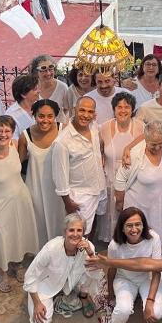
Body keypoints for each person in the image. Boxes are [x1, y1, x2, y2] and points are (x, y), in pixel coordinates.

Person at [0, 115, 38, 292]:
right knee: (0, 239)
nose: (3, 134)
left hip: (20, 200)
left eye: (7, 130)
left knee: (18, 235)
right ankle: (0, 271)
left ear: (12, 132)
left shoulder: (15, 145)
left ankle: (17, 263)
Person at [102, 207, 162, 323]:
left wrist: (149, 301)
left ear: (144, 225)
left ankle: (142, 299)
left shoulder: (154, 238)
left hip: (149, 277)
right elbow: (112, 269)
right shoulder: (115, 245)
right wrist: (110, 292)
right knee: (123, 309)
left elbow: (157, 270)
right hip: (125, 279)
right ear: (122, 228)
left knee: (156, 313)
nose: (134, 229)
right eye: (129, 225)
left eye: (138, 224)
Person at [24, 213, 97, 323]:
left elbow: (96, 272)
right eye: (71, 230)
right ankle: (42, 296)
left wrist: (90, 253)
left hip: (71, 282)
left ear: (84, 232)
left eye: (79, 230)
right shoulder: (51, 248)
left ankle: (83, 297)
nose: (75, 234)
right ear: (64, 232)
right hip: (46, 284)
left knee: (91, 267)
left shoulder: (88, 247)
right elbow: (30, 274)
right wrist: (37, 303)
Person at [52, 96, 106, 235]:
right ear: (74, 110)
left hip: (99, 188)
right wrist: (68, 203)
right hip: (79, 196)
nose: (86, 115)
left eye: (90, 111)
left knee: (93, 228)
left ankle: (89, 250)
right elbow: (60, 176)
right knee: (80, 235)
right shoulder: (62, 142)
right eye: (82, 110)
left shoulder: (93, 126)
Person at [115, 120, 162, 241]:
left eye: (160, 143)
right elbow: (120, 179)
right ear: (145, 140)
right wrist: (119, 202)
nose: (157, 147)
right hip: (141, 207)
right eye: (153, 144)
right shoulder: (134, 154)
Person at [97, 92, 144, 243]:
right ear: (114, 109)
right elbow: (98, 151)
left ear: (132, 109)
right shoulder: (104, 127)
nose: (123, 110)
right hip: (110, 180)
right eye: (119, 107)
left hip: (133, 183)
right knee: (112, 216)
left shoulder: (141, 127)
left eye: (127, 107)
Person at [18, 99, 64, 245]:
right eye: (41, 116)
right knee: (38, 224)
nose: (45, 120)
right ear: (34, 116)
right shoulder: (25, 136)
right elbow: (17, 165)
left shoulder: (64, 130)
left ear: (55, 116)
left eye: (50, 116)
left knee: (60, 220)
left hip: (59, 188)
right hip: (35, 188)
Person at [5, 74, 38, 139]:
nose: (39, 91)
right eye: (35, 89)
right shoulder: (11, 115)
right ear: (23, 94)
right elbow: (13, 141)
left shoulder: (42, 106)